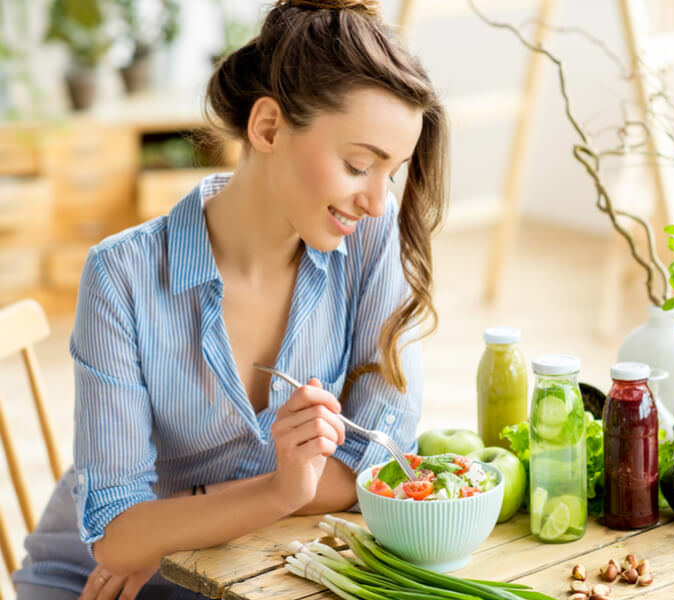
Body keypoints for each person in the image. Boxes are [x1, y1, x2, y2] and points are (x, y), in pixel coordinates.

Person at [12, 0, 448, 597]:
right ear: (268, 127)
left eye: (390, 172)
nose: (376, 199)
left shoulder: (372, 235)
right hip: (102, 586)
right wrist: (279, 491)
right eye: (357, 166)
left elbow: (380, 462)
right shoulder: (123, 275)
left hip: (248, 570)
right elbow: (116, 536)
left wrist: (169, 527)